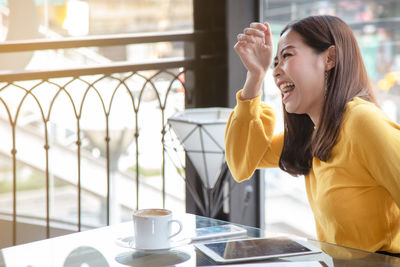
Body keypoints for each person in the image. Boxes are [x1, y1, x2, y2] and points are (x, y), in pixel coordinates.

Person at [225, 15, 400, 255]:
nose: (276, 72)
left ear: (329, 58)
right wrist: (255, 76)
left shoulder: (362, 122)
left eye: (286, 56)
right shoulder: (315, 132)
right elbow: (241, 162)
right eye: (275, 63)